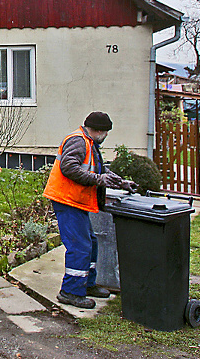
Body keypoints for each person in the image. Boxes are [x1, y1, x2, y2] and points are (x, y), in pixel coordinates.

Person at [43, 111, 132, 309]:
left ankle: (87, 285)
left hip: (76, 201)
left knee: (90, 243)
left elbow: (100, 170)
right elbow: (69, 168)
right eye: (106, 132)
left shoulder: (89, 144)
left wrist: (121, 182)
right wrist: (100, 180)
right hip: (66, 200)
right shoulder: (78, 141)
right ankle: (70, 292)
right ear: (99, 130)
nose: (106, 136)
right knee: (80, 246)